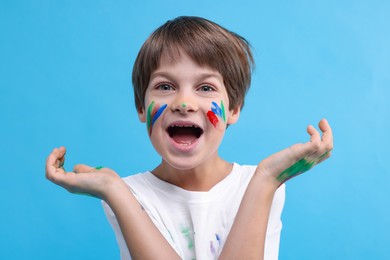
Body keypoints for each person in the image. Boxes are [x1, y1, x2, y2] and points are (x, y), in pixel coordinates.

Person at [46, 16, 333, 260]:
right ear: (140, 107)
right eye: (166, 86)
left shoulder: (261, 184)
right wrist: (114, 190)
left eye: (205, 88)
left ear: (233, 109)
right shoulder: (125, 195)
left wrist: (267, 180)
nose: (184, 103)